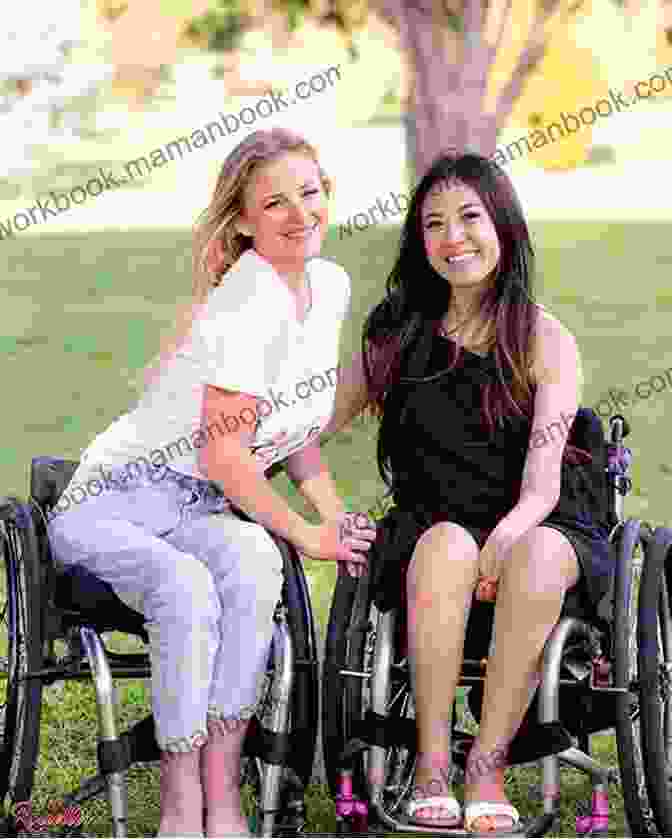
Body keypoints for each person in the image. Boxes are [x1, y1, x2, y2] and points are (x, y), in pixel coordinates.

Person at [47, 127, 376, 838]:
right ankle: (181, 798)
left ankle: (225, 789)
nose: (299, 213)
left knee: (256, 562)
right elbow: (230, 459)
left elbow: (291, 432)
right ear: (244, 221)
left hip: (196, 504)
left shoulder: (329, 285)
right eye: (275, 202)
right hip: (116, 500)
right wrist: (309, 535)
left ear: (329, 196)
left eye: (310, 194)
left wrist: (335, 517)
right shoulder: (244, 303)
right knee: (187, 588)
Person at [325, 150, 613, 832]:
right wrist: (249, 473)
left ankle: (486, 763)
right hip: (434, 524)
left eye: (469, 217)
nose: (453, 238)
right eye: (434, 224)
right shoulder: (398, 335)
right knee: (449, 543)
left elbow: (544, 482)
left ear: (503, 225)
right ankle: (430, 765)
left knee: (537, 552)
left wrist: (510, 535)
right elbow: (314, 421)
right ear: (418, 241)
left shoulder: (544, 338)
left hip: (538, 517)